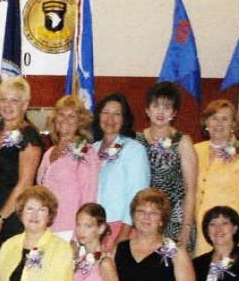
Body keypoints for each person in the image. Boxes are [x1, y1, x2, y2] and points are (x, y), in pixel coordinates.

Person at [0, 76, 43, 257]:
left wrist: (0, 219)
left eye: (14, 100)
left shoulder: (28, 136)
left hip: (14, 218)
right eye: (3, 99)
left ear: (25, 105)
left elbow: (24, 183)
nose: (7, 105)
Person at [192, 99, 239, 256]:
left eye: (225, 119)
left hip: (228, 230)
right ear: (206, 122)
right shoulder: (196, 150)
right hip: (199, 231)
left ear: (233, 125)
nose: (218, 123)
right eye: (214, 118)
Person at [137, 81, 198, 250]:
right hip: (145, 217)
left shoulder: (183, 141)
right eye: (156, 105)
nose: (161, 111)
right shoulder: (136, 140)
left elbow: (191, 189)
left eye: (167, 106)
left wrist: (185, 229)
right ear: (147, 110)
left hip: (175, 218)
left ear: (174, 112)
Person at [36, 94, 98, 239]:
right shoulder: (49, 152)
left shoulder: (87, 152)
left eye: (72, 116)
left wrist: (79, 237)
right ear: (55, 119)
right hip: (45, 229)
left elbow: (89, 198)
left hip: (70, 231)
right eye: (61, 115)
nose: (66, 120)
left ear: (80, 121)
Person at [90, 93, 149, 248]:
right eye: (106, 113)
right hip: (93, 228)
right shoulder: (91, 149)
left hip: (121, 228)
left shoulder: (134, 149)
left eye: (117, 114)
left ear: (124, 119)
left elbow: (137, 196)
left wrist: (123, 236)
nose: (110, 119)